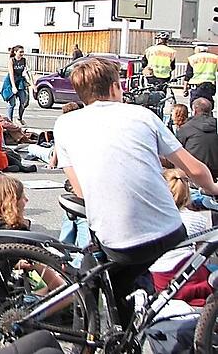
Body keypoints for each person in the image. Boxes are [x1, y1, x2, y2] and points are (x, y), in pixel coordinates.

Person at [54, 57, 218, 322]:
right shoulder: (142, 115)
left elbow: (81, 191)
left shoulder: (64, 124)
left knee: (99, 271)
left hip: (116, 240)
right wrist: (212, 188)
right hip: (166, 232)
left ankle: (92, 337)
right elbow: (194, 169)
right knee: (134, 272)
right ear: (116, 88)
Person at [149, 169, 213, 305]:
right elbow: (202, 255)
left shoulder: (153, 220)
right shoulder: (198, 219)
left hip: (161, 281)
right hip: (192, 278)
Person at [176, 97, 218, 181]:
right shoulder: (216, 125)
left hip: (194, 172)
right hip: (215, 172)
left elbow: (177, 150)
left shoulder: (186, 128)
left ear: (194, 111)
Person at [4, 45, 33, 124]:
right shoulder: (11, 60)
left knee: (23, 101)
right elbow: (11, 74)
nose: (22, 54)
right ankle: (10, 121)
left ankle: (19, 118)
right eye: (20, 52)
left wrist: (32, 83)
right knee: (12, 103)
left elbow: (28, 72)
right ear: (15, 52)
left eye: (23, 52)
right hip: (11, 81)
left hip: (20, 81)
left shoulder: (24, 60)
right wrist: (13, 86)